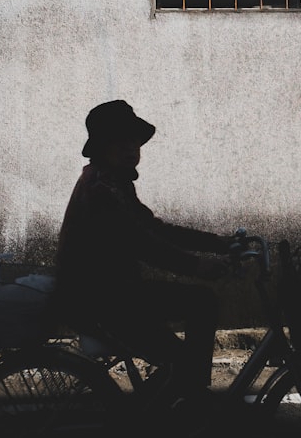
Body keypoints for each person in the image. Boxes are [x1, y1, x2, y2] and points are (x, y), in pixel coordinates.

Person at [54, 99, 233, 396]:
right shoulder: (101, 189)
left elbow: (153, 229)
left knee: (185, 344)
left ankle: (184, 396)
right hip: (101, 299)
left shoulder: (112, 182)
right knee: (201, 305)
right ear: (102, 146)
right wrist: (197, 265)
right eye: (120, 140)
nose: (130, 148)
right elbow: (140, 242)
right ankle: (192, 398)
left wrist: (217, 243)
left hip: (111, 294)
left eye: (134, 141)